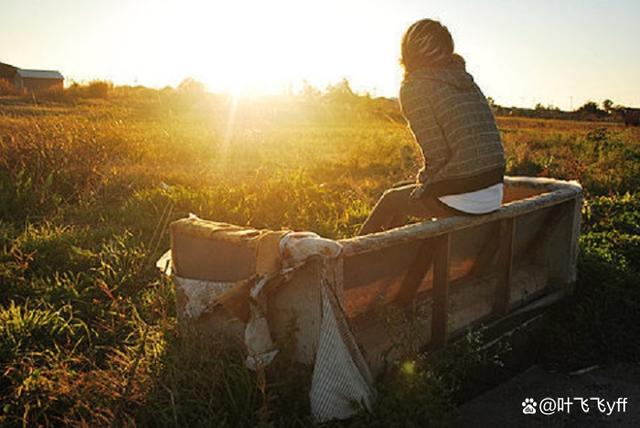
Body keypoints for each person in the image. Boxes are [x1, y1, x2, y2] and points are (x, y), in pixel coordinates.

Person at [358, 19, 506, 235]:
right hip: (492, 190)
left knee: (390, 200)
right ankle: (389, 252)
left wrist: (424, 183)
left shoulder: (415, 87)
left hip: (465, 195)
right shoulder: (465, 80)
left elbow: (436, 156)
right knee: (401, 189)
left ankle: (350, 263)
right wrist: (423, 184)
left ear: (408, 50)